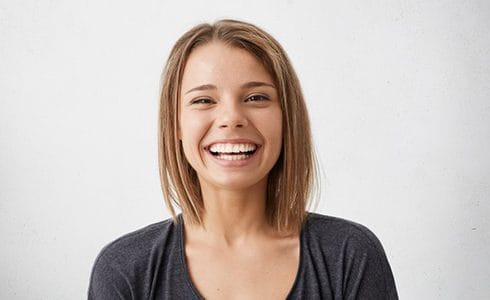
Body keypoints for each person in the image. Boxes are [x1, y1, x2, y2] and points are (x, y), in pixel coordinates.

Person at [88, 19, 398, 299]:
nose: (231, 118)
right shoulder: (124, 271)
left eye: (256, 98)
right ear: (175, 124)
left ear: (287, 118)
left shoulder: (350, 255)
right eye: (203, 100)